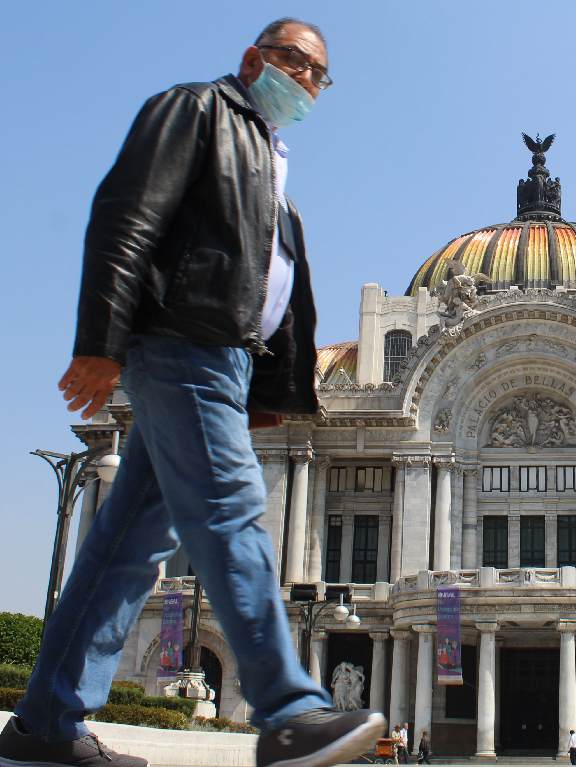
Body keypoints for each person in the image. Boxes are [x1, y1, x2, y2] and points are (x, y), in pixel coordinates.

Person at [0, 17, 386, 767]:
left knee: (126, 546)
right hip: (185, 342)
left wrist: (273, 391)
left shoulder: (274, 171)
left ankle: (45, 721)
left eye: (319, 75)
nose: (306, 81)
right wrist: (100, 343)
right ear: (254, 59)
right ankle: (290, 706)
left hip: (227, 361)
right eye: (295, 63)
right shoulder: (197, 111)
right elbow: (126, 218)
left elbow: (267, 291)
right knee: (231, 508)